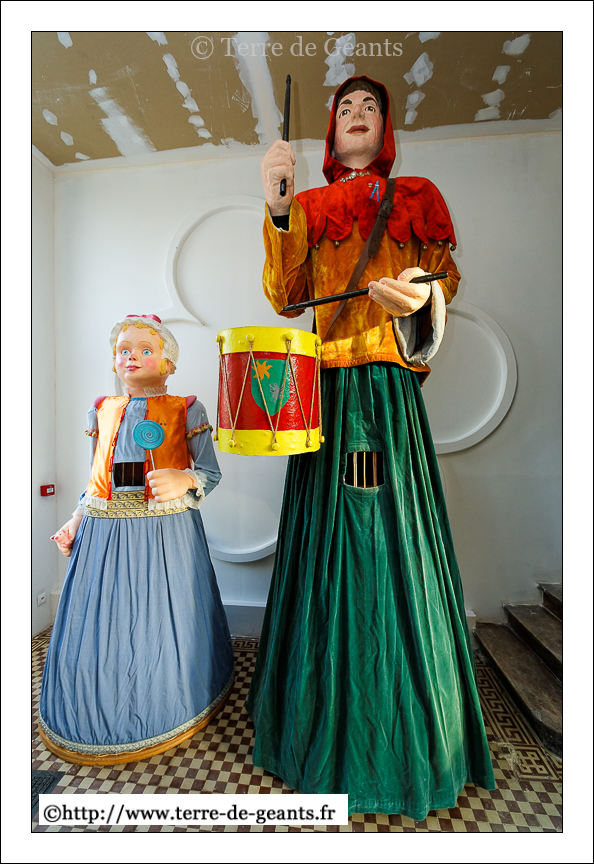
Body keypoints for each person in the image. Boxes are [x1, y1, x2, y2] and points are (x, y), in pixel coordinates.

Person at [246, 77, 495, 819]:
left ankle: (406, 725)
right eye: (345, 109)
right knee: (325, 538)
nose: (357, 115)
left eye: (370, 108)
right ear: (329, 130)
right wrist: (278, 208)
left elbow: (445, 279)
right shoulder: (310, 203)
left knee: (394, 540)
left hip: (386, 386)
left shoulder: (417, 195)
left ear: (387, 128)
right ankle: (316, 719)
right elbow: (286, 294)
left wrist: (424, 294)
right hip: (323, 389)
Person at [39, 315, 234, 764]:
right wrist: (75, 519)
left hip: (164, 532)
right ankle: (96, 705)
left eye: (145, 350)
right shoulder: (101, 410)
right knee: (100, 619)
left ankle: (170, 696)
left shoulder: (187, 408)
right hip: (103, 532)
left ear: (168, 362)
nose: (132, 357)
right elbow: (96, 476)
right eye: (124, 350)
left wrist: (184, 479)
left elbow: (209, 471)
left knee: (163, 614)